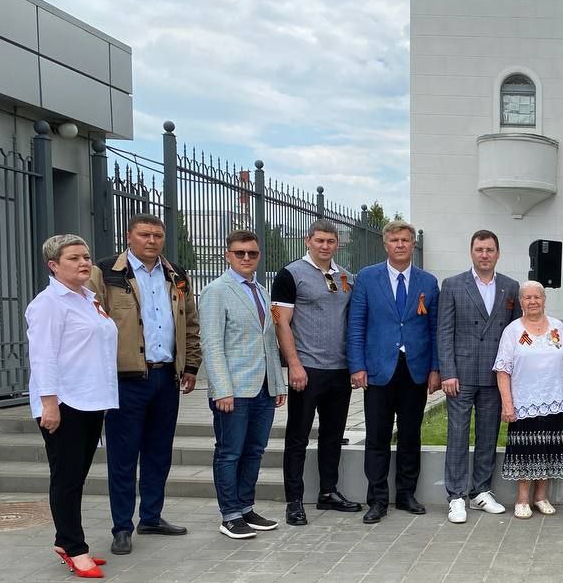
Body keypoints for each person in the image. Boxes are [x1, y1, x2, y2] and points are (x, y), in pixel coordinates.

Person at [90, 213, 201, 556]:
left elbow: (190, 323)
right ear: (129, 236)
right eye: (144, 234)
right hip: (125, 380)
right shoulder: (107, 272)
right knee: (123, 456)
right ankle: (122, 526)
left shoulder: (176, 275)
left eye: (157, 235)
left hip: (166, 377)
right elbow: (93, 323)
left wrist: (192, 365)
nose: (151, 240)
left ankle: (151, 515)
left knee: (158, 452)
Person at [26, 234, 118, 578]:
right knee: (65, 477)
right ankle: (72, 546)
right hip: (65, 402)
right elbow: (43, 356)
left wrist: (106, 397)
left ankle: (68, 541)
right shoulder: (49, 303)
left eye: (86, 256)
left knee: (76, 476)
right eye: (74, 258)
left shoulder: (87, 299)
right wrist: (49, 403)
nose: (84, 263)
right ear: (54, 266)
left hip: (92, 399)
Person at [270, 219, 363, 527]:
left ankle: (328, 491)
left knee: (333, 435)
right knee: (298, 436)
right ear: (307, 241)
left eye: (331, 241)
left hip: (339, 369)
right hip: (306, 369)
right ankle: (294, 501)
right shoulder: (291, 274)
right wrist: (293, 364)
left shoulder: (346, 276)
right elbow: (282, 322)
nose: (325, 246)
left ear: (338, 244)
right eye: (319, 240)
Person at [348, 220, 441, 524]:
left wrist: (435, 368)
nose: (400, 245)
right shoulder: (367, 278)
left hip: (414, 369)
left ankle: (406, 494)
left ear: (413, 244)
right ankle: (377, 499)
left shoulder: (427, 282)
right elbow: (356, 324)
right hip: (378, 369)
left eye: (405, 240)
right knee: (377, 436)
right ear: (385, 244)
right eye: (394, 240)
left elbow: (435, 328)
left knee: (411, 435)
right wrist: (358, 366)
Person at [200, 230, 288, 539]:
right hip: (233, 390)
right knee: (229, 452)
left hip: (263, 388)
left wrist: (278, 385)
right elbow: (211, 344)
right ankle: (230, 514)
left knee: (255, 451)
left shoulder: (261, 291)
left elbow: (270, 344)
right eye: (240, 253)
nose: (247, 258)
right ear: (228, 255)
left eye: (252, 253)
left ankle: (246, 507)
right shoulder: (216, 291)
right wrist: (221, 388)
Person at [437, 229, 521, 524]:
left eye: (489, 250)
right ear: (471, 253)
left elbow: (516, 333)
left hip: (494, 375)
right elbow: (444, 332)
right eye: (479, 250)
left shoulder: (510, 288)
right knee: (457, 435)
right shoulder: (453, 285)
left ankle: (481, 491)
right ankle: (457, 496)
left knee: (488, 435)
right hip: (460, 375)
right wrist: (447, 371)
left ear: (498, 254)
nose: (484, 255)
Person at [493, 281, 563, 517]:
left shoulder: (558, 328)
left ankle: (541, 497)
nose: (532, 301)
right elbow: (503, 370)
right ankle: (522, 499)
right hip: (524, 402)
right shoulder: (513, 331)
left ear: (544, 300)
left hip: (556, 400)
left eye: (537, 297)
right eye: (527, 298)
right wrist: (507, 403)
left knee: (549, 448)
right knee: (526, 449)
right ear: (521, 302)